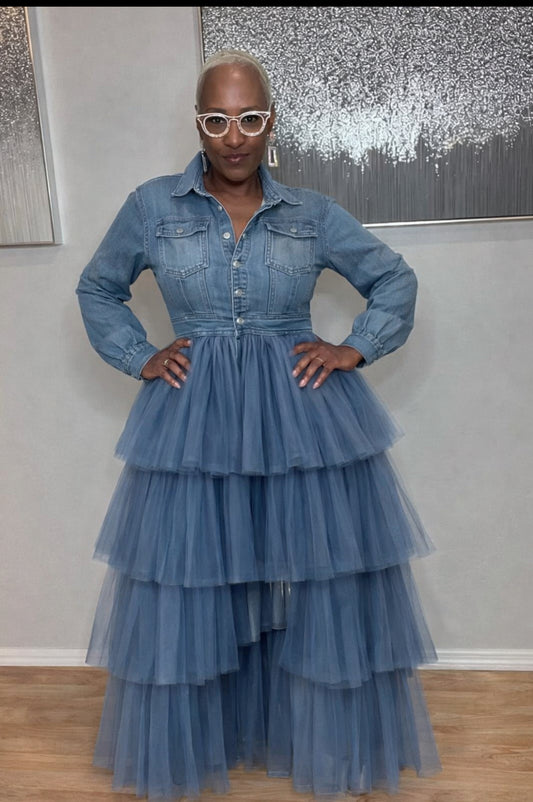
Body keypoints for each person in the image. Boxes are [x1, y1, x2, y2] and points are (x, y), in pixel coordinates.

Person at [77, 48, 442, 801]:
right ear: (198, 125)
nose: (234, 136)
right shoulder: (151, 207)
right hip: (193, 422)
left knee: (316, 578)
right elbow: (98, 287)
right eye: (217, 120)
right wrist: (139, 355)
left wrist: (354, 347)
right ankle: (207, 741)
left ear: (271, 123)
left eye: (249, 118)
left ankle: (318, 743)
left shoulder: (311, 213)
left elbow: (393, 278)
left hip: (300, 421)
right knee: (194, 578)